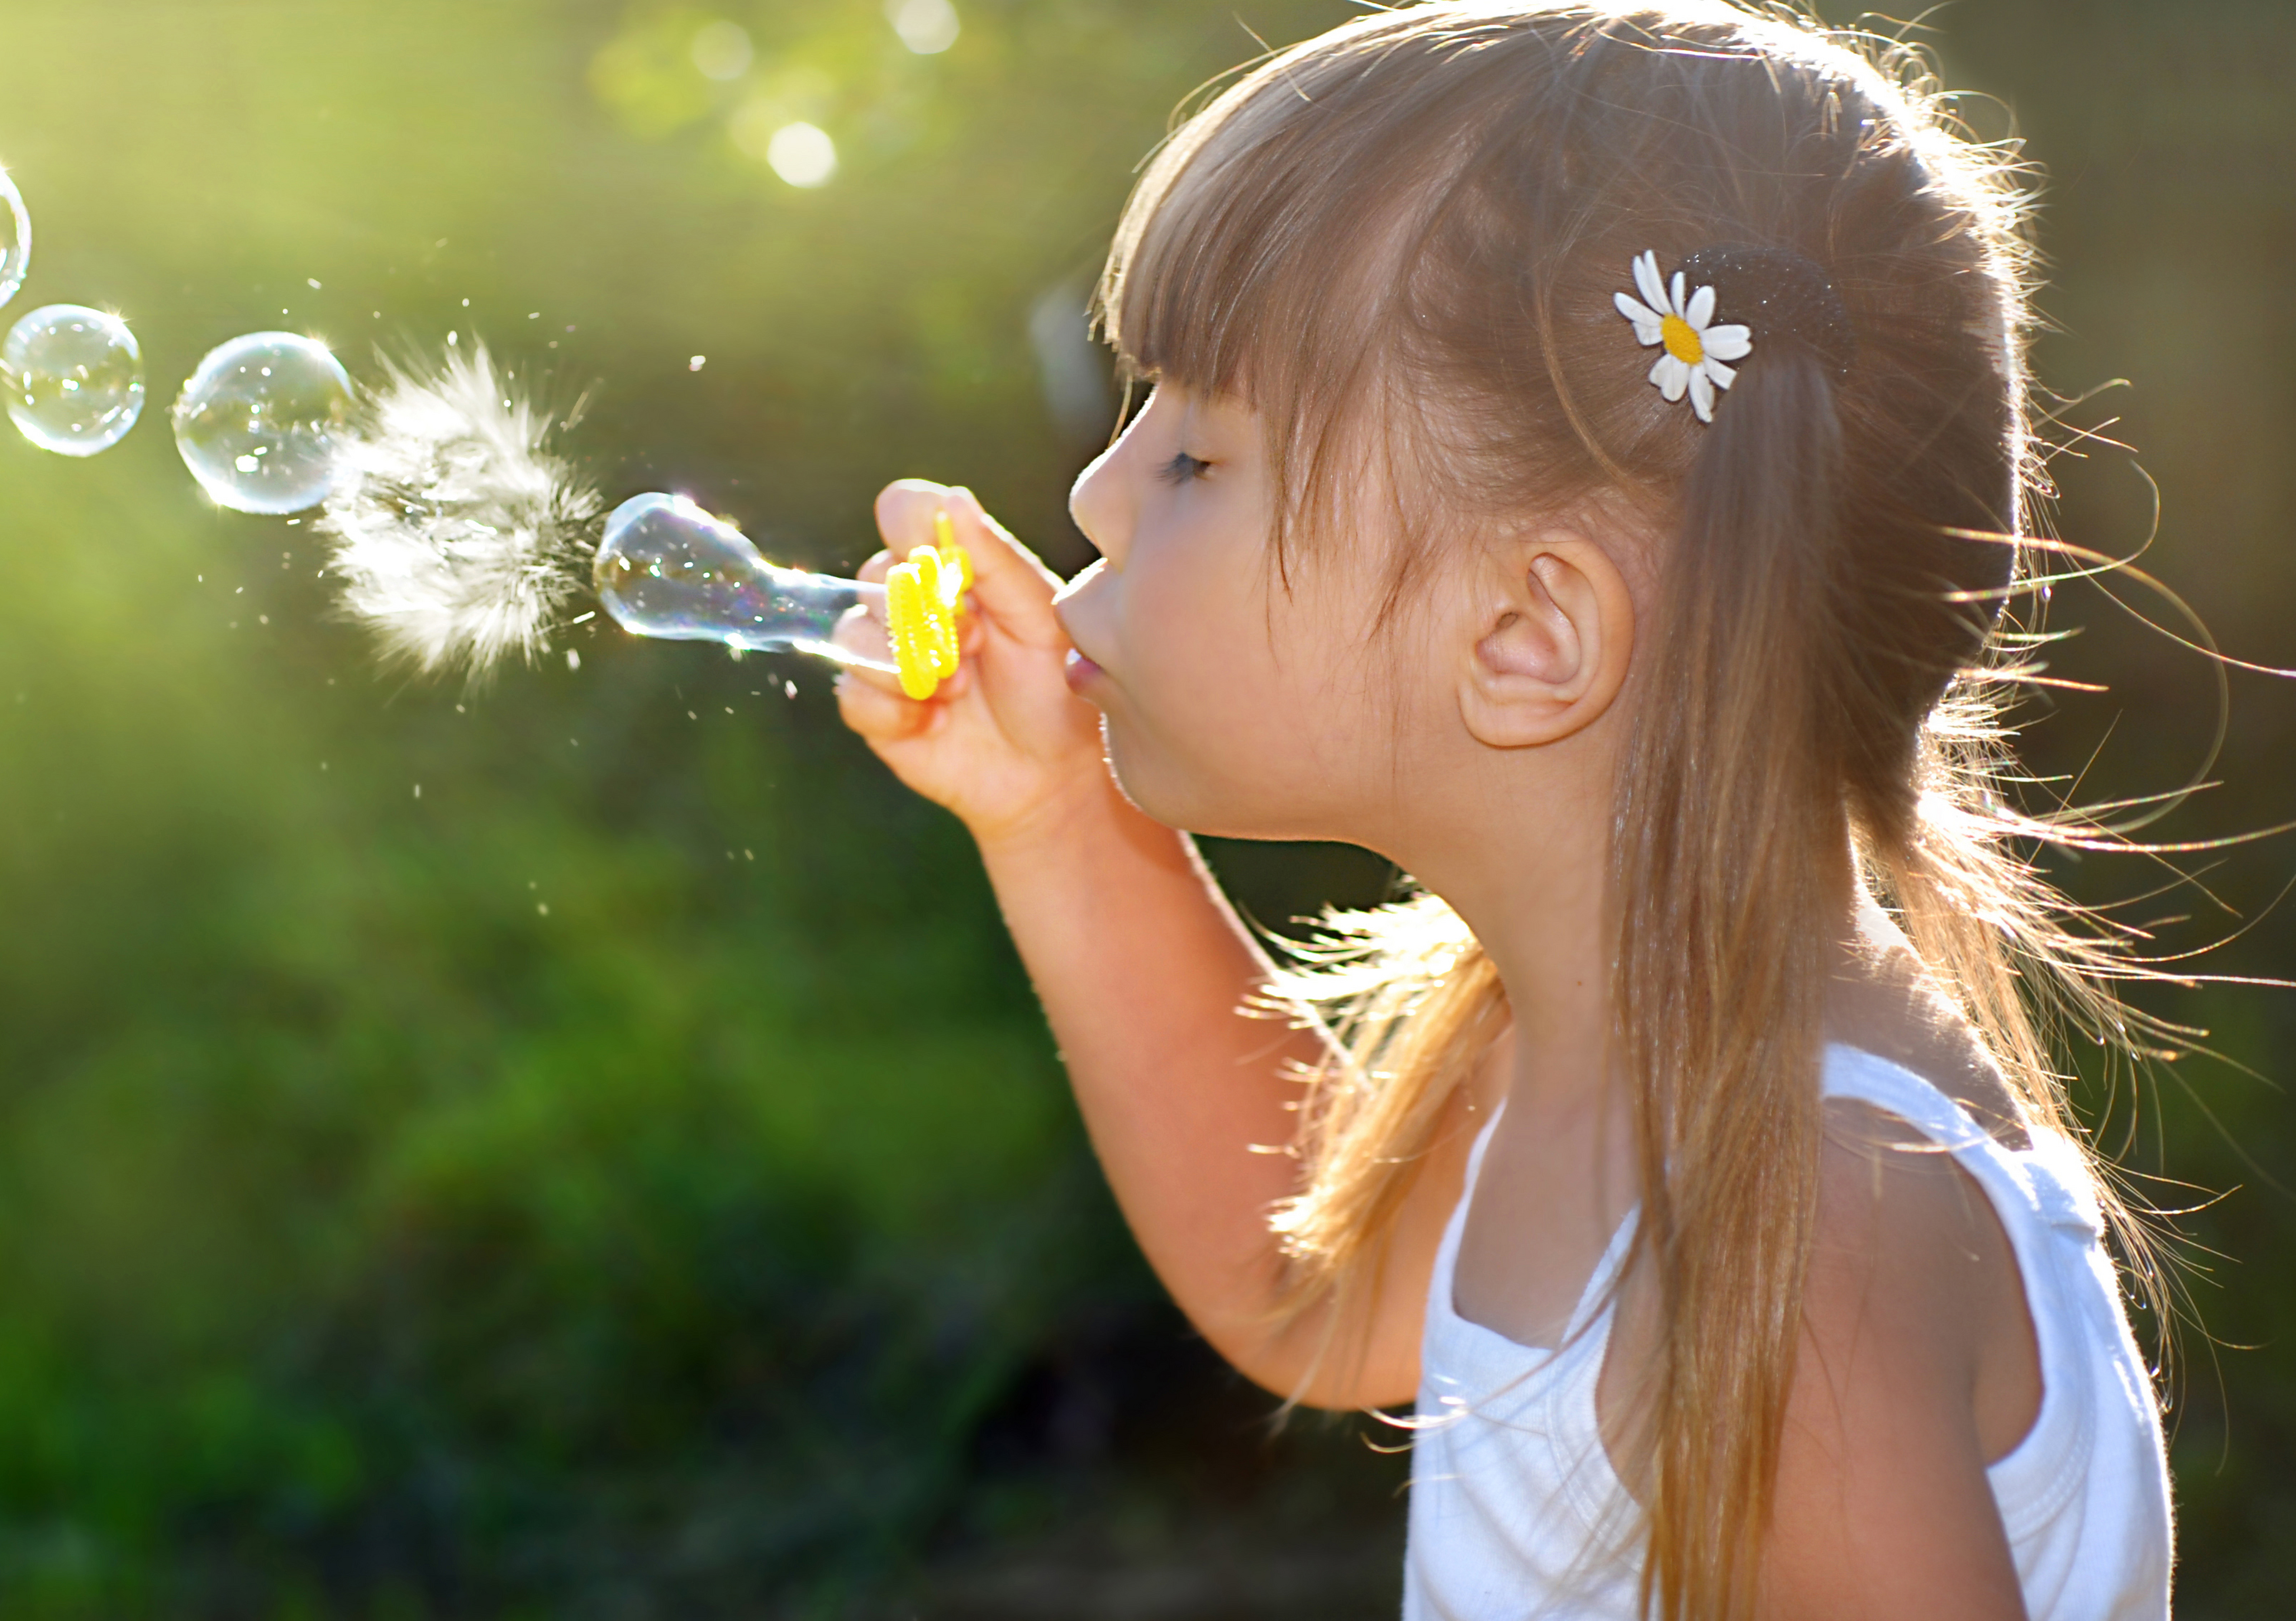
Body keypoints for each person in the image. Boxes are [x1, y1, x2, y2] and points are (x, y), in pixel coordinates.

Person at [834, 4, 2174, 1617]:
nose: (1095, 494)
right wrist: (1052, 809)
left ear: (1528, 636)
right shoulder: (1617, 1048)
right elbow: (1303, 1291)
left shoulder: (1808, 1244)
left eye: (1196, 453)